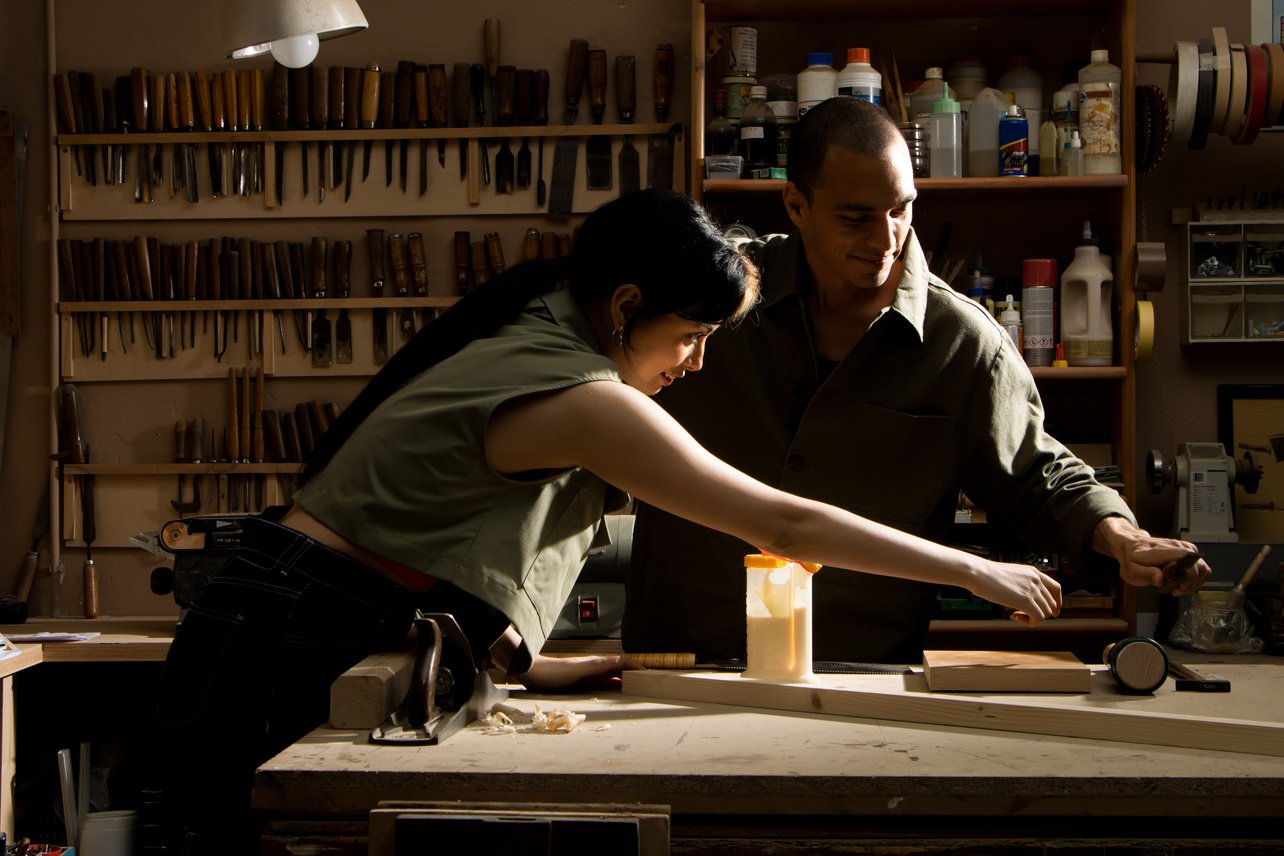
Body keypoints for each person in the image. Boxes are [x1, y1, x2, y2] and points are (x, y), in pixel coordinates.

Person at [155, 189, 1062, 855]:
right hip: (288, 632)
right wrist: (971, 570)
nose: (698, 363)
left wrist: (525, 661)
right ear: (626, 307)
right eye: (692, 336)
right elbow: (777, 522)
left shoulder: (546, 329)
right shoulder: (584, 394)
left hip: (312, 613)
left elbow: (437, 538)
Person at [624, 98, 1211, 665]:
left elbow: (1038, 476)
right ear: (796, 205)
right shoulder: (708, 297)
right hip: (678, 657)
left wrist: (1124, 539)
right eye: (854, 217)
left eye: (901, 209)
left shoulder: (963, 343)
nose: (885, 241)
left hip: (857, 673)